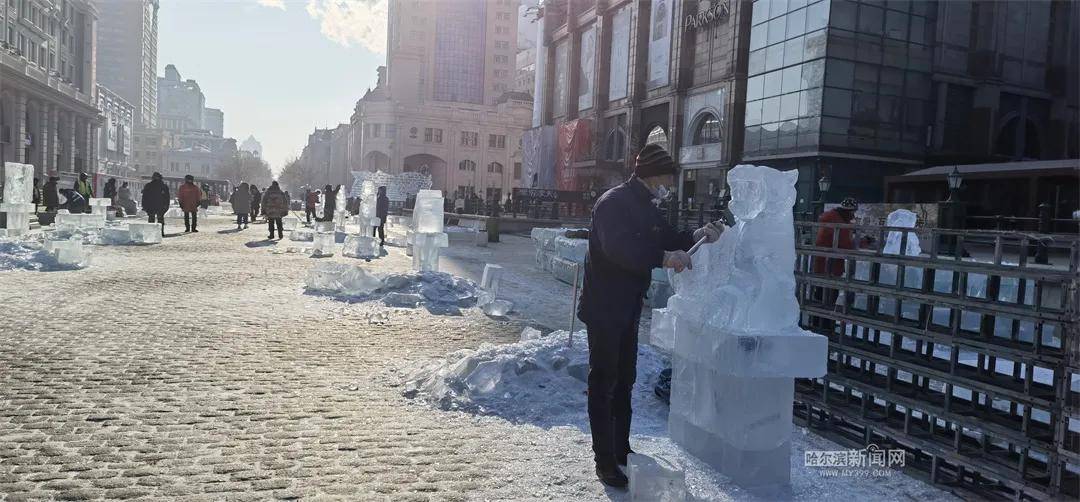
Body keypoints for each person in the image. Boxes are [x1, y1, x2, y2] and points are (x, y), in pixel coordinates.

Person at [577, 144, 721, 488]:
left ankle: (620, 446)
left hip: (627, 305)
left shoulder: (646, 205)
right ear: (653, 175)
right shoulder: (613, 203)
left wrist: (697, 235)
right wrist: (662, 257)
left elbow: (668, 236)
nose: (669, 184)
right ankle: (604, 460)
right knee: (604, 382)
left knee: (625, 379)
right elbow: (619, 249)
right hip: (604, 306)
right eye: (668, 177)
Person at [810, 197, 863, 334]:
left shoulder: (832, 220)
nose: (853, 216)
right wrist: (864, 242)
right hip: (829, 268)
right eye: (852, 213)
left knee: (821, 298)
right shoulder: (838, 224)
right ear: (848, 211)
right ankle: (825, 327)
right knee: (827, 299)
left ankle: (819, 325)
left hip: (823, 266)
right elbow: (846, 245)